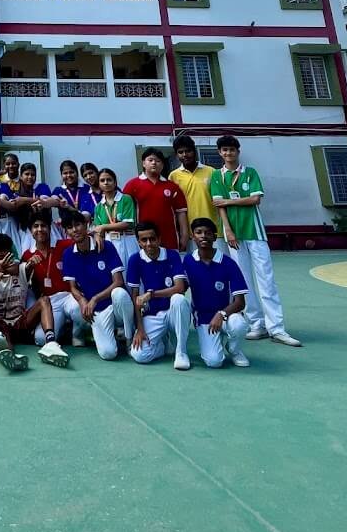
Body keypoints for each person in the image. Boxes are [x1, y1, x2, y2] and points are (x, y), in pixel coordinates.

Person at [210, 134, 301, 346]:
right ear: (220, 153)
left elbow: (255, 199)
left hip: (255, 232)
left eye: (232, 149)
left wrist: (229, 201)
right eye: (224, 150)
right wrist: (228, 230)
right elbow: (219, 206)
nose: (228, 153)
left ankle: (277, 328)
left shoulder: (250, 173)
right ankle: (257, 324)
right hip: (234, 235)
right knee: (243, 281)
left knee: (266, 279)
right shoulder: (216, 176)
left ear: (238, 151)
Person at [0, 233, 69, 367]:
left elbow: (27, 266)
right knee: (4, 343)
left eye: (3, 250)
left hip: (22, 321)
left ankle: (51, 343)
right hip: (2, 323)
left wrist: (32, 262)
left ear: (10, 252)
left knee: (44, 300)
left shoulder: (20, 267)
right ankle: (9, 357)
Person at [61, 211, 133, 360]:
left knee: (119, 293)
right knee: (108, 353)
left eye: (78, 225)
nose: (74, 230)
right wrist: (82, 300)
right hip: (98, 311)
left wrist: (95, 298)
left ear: (86, 225)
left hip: (114, 304)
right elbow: (72, 287)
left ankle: (129, 338)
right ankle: (86, 331)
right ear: (66, 232)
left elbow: (118, 281)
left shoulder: (106, 246)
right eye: (70, 227)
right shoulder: (68, 254)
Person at [183, 218, 251, 368]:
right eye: (199, 232)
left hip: (227, 316)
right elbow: (181, 288)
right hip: (204, 319)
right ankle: (215, 343)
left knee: (239, 324)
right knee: (214, 362)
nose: (203, 236)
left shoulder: (228, 263)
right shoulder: (188, 261)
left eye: (208, 233)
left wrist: (221, 314)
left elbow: (240, 302)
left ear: (214, 237)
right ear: (193, 237)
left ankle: (234, 350)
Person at [124, 220, 191, 370]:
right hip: (152, 315)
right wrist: (140, 328)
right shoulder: (135, 260)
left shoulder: (172, 255)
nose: (149, 244)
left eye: (152, 239)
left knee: (179, 299)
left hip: (173, 312)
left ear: (159, 239)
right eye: (144, 240)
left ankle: (181, 352)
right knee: (139, 355)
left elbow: (180, 287)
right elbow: (135, 297)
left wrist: (151, 294)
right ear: (138, 242)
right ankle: (162, 345)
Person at [21, 208, 83, 345]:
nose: (39, 229)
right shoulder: (27, 255)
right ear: (30, 231)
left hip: (70, 296)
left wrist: (96, 234)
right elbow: (22, 283)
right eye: (35, 226)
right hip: (50, 302)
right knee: (41, 339)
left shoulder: (63, 245)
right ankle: (63, 330)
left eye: (43, 226)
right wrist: (28, 267)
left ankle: (78, 332)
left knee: (78, 309)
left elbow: (83, 239)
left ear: (49, 228)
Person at [123, 148, 189, 253]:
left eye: (158, 161)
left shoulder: (172, 186)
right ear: (143, 163)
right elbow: (125, 212)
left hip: (169, 238)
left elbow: (181, 213)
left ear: (162, 165)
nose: (154, 163)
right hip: (144, 239)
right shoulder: (132, 185)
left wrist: (184, 235)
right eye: (150, 160)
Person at [169, 137, 222, 252]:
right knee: (194, 262)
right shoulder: (173, 176)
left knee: (218, 261)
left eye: (188, 151)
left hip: (214, 231)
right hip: (190, 233)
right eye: (180, 152)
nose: (185, 155)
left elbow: (220, 201)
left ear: (194, 151)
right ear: (177, 155)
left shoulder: (211, 172)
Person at [91, 167, 139, 267]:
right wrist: (97, 235)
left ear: (115, 182)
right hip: (109, 242)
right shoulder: (99, 206)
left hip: (127, 240)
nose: (106, 183)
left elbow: (127, 223)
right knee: (115, 271)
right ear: (99, 184)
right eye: (102, 180)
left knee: (131, 269)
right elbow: (97, 229)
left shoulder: (126, 199)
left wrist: (104, 227)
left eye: (109, 180)